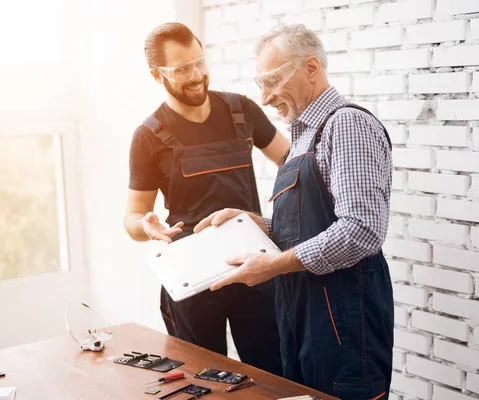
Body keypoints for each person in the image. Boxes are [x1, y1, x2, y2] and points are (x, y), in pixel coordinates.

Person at [194, 24, 394, 399]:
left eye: (272, 81)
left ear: (312, 67)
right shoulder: (305, 135)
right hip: (303, 318)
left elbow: (361, 230)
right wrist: (261, 226)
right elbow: (316, 223)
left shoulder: (346, 124)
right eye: (261, 84)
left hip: (344, 324)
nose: (265, 98)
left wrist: (274, 266)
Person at [124, 22, 289, 376]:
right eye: (182, 69)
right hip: (192, 277)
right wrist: (145, 225)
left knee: (274, 374)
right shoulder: (148, 135)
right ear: (157, 75)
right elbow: (133, 218)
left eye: (200, 62)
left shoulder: (241, 111)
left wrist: (286, 223)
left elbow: (294, 166)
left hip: (253, 268)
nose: (197, 75)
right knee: (205, 379)